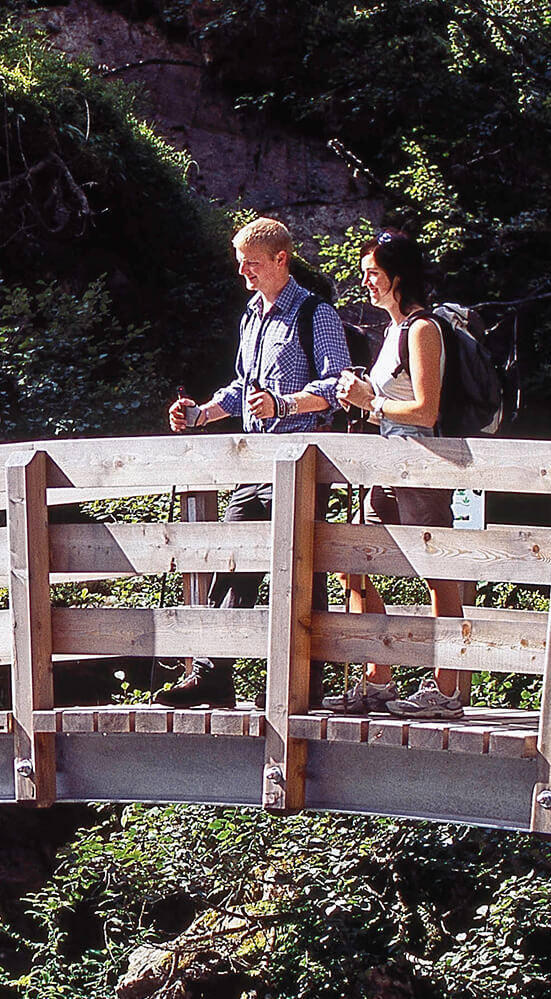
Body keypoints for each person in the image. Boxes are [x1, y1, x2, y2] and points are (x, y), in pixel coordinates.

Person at [157, 217, 350, 708]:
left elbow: (339, 386)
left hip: (303, 464)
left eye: (252, 263)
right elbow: (244, 387)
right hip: (253, 466)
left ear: (281, 260)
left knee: (303, 572)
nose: (243, 271)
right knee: (233, 561)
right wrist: (201, 414)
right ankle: (212, 676)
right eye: (240, 262)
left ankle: (307, 685)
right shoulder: (251, 315)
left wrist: (284, 404)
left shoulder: (316, 314)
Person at [323, 229, 466, 719]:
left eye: (373, 274)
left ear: (397, 278)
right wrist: (361, 402)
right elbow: (391, 408)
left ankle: (448, 691)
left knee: (436, 577)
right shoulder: (391, 332)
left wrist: (371, 401)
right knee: (354, 564)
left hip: (423, 465)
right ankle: (378, 679)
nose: (365, 282)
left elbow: (426, 411)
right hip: (386, 463)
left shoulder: (423, 329)